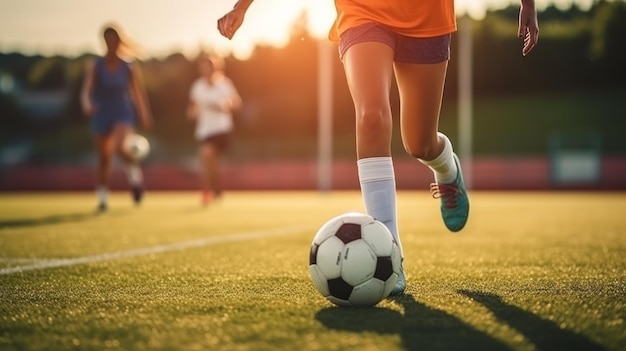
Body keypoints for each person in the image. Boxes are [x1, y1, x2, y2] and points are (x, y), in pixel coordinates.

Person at [217, 0, 539, 294]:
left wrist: (528, 4)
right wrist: (242, 7)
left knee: (419, 143)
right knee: (371, 116)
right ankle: (391, 252)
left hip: (427, 15)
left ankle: (446, 167)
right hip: (363, 11)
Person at [80, 24, 153, 212]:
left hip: (122, 111)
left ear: (119, 41)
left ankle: (135, 180)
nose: (111, 44)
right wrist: (87, 103)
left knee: (121, 147)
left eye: (114, 40)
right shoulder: (96, 65)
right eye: (107, 40)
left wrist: (144, 113)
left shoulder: (128, 66)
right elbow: (86, 90)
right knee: (104, 157)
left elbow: (138, 93)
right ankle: (103, 198)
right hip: (102, 112)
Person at [186, 52, 242, 206]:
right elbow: (192, 108)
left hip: (221, 129)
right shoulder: (197, 86)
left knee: (206, 154)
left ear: (215, 68)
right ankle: (216, 188)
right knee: (212, 163)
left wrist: (225, 105)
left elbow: (236, 103)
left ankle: (206, 191)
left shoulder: (225, 84)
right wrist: (192, 113)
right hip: (204, 130)